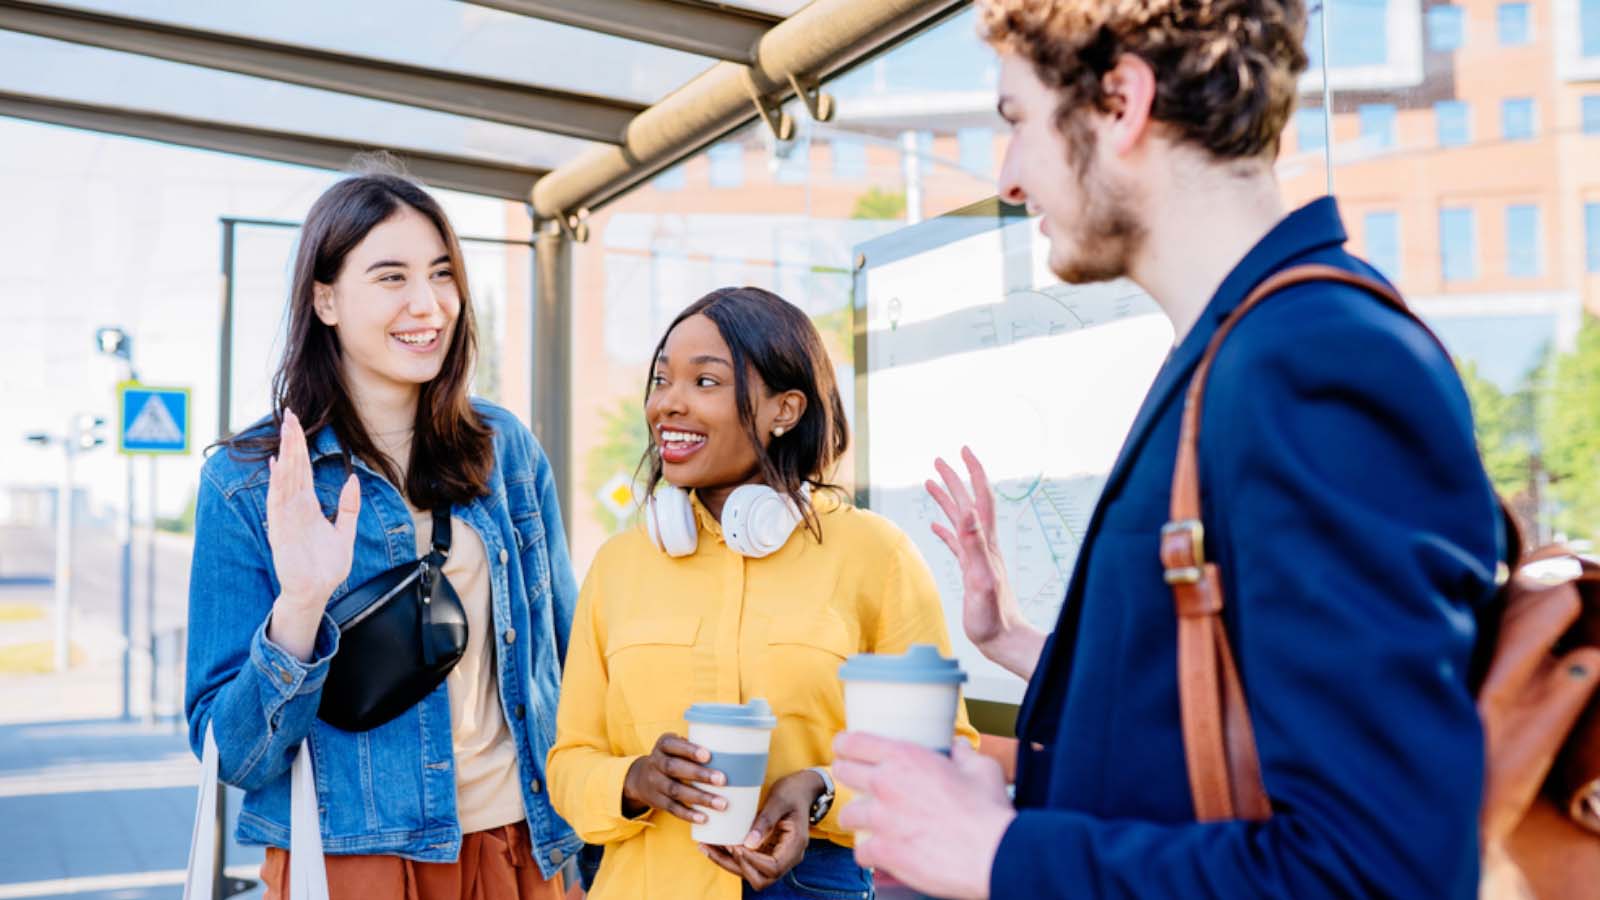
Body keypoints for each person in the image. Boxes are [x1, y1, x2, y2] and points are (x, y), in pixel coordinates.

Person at [831, 2, 1502, 898]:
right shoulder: (1242, 352)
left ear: (1122, 101)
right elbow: (1219, 702)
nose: (1012, 178)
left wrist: (995, 854)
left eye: (1018, 122)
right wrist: (1019, 649)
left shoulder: (1312, 363)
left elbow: (1375, 871)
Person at [185, 171, 579, 899]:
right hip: (348, 862)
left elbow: (570, 653)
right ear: (325, 298)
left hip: (522, 843)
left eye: (442, 275)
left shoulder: (504, 450)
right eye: (391, 276)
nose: (426, 305)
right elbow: (233, 756)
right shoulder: (246, 484)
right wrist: (302, 606)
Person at [547, 286, 979, 899]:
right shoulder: (619, 565)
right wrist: (635, 780)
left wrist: (821, 792)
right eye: (663, 379)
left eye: (705, 382)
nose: (668, 403)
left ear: (786, 409)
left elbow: (942, 756)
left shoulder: (874, 555)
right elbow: (568, 762)